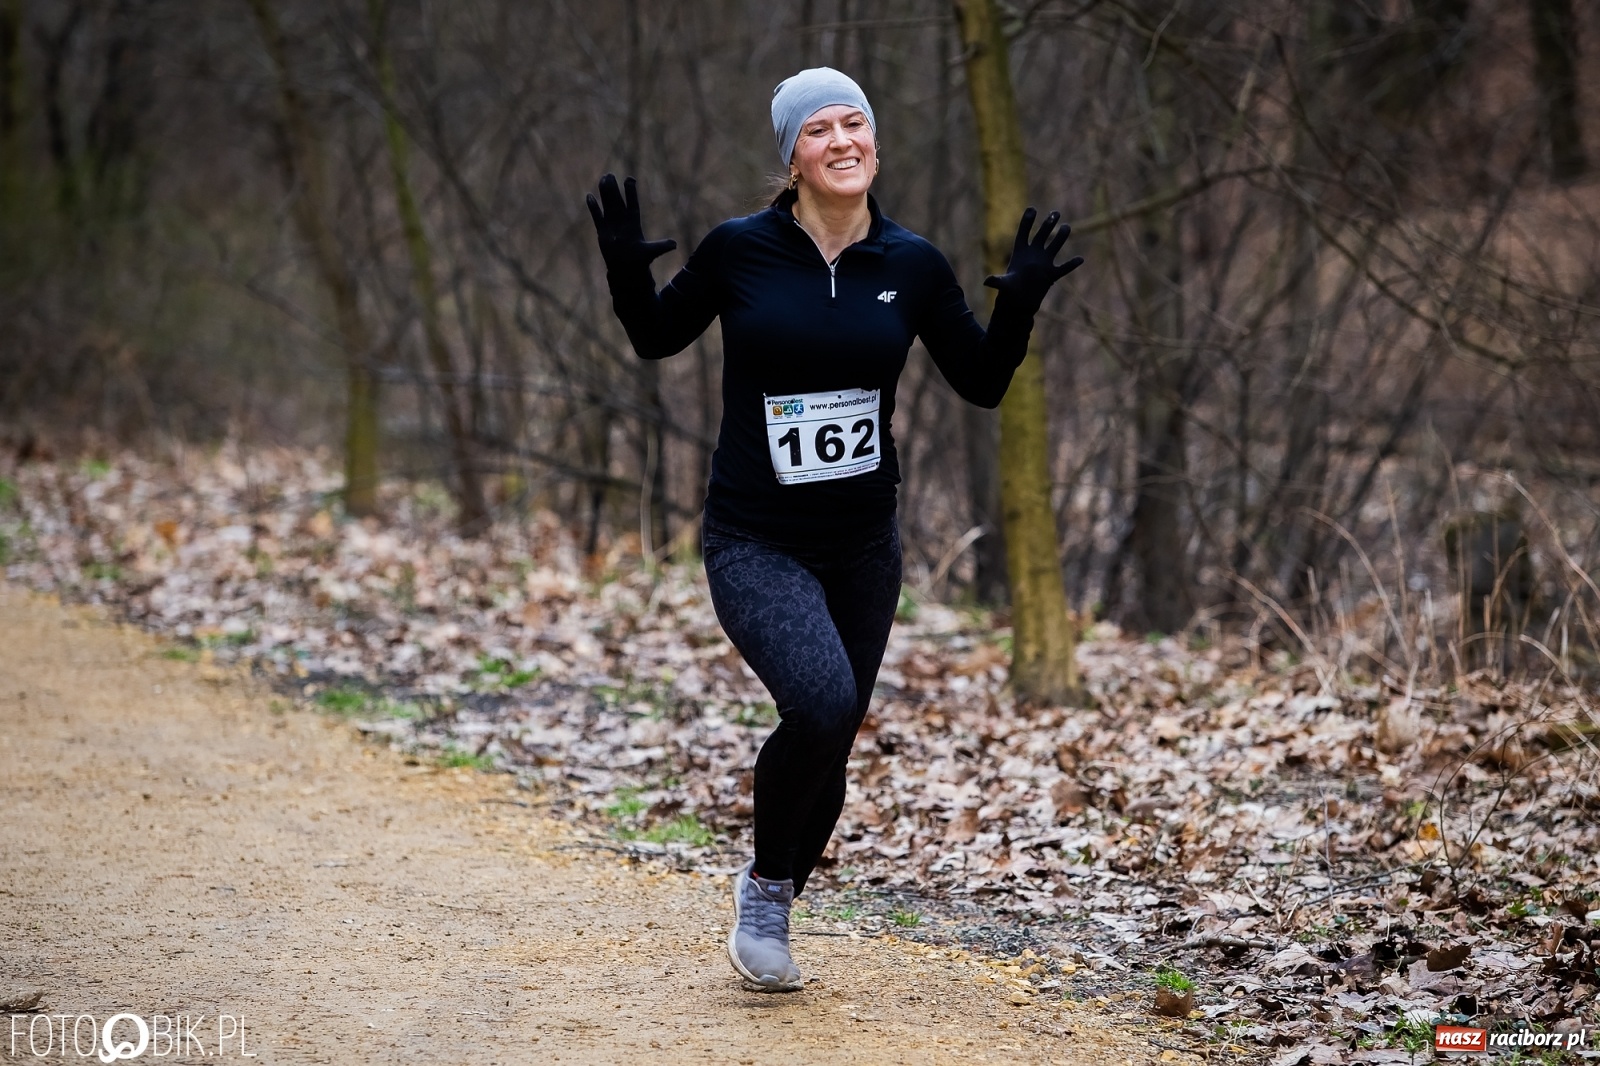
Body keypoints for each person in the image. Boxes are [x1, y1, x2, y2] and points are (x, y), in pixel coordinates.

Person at [586, 66, 1082, 992]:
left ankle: (776, 888)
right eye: (819, 130)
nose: (843, 140)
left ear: (876, 145)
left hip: (862, 545)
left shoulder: (913, 265)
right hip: (753, 537)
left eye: (856, 123)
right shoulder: (740, 251)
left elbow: (980, 381)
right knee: (817, 702)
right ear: (793, 158)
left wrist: (1017, 305)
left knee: (834, 728)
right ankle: (765, 897)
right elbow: (656, 338)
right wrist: (624, 271)